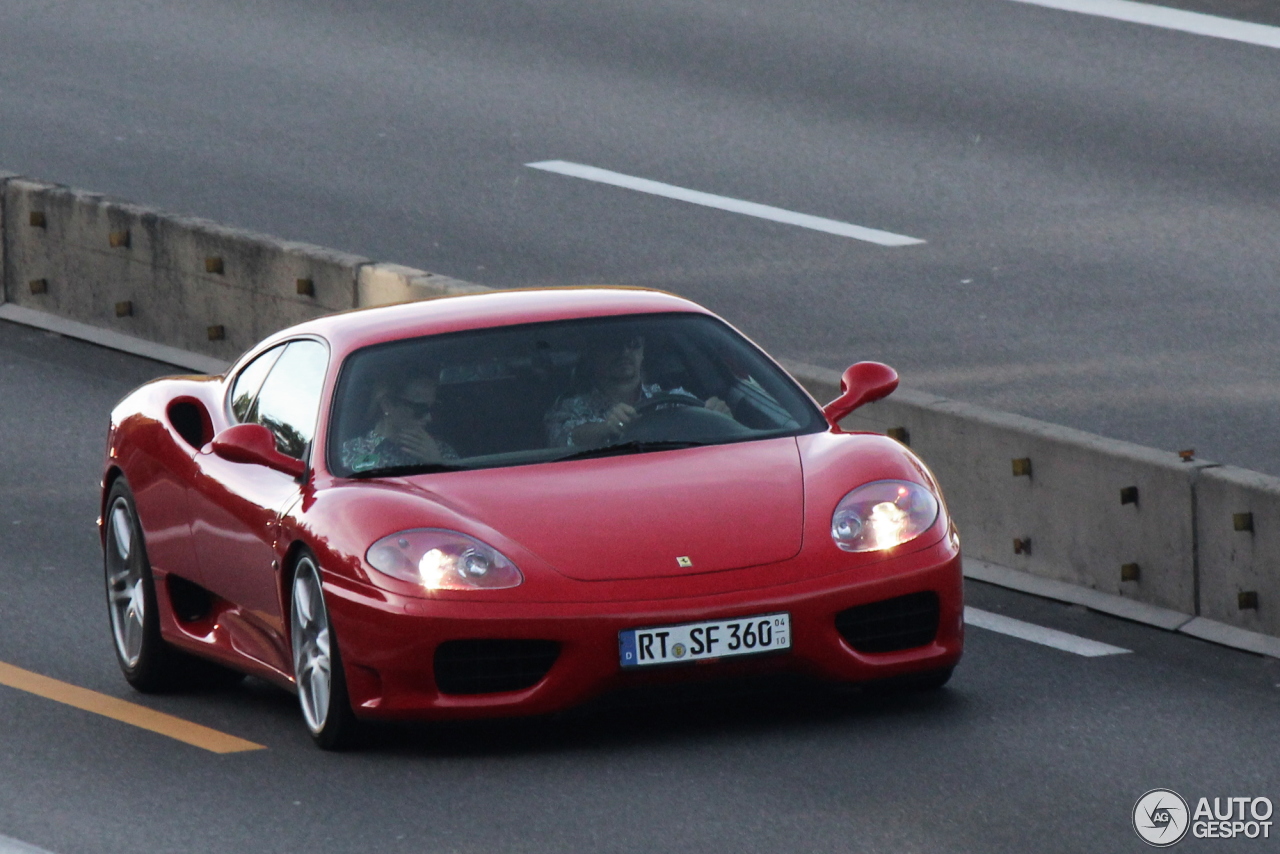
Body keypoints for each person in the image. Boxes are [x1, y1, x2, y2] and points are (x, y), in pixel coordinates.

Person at [545, 332, 732, 447]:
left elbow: (708, 429)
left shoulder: (675, 400)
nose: (624, 352)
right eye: (613, 345)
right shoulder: (568, 408)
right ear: (593, 354)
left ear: (642, 353)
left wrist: (719, 418)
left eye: (633, 344)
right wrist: (606, 429)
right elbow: (564, 440)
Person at [341, 371, 459, 472]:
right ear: (387, 405)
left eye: (432, 409)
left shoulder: (441, 451)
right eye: (420, 409)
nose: (429, 418)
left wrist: (437, 464)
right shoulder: (349, 454)